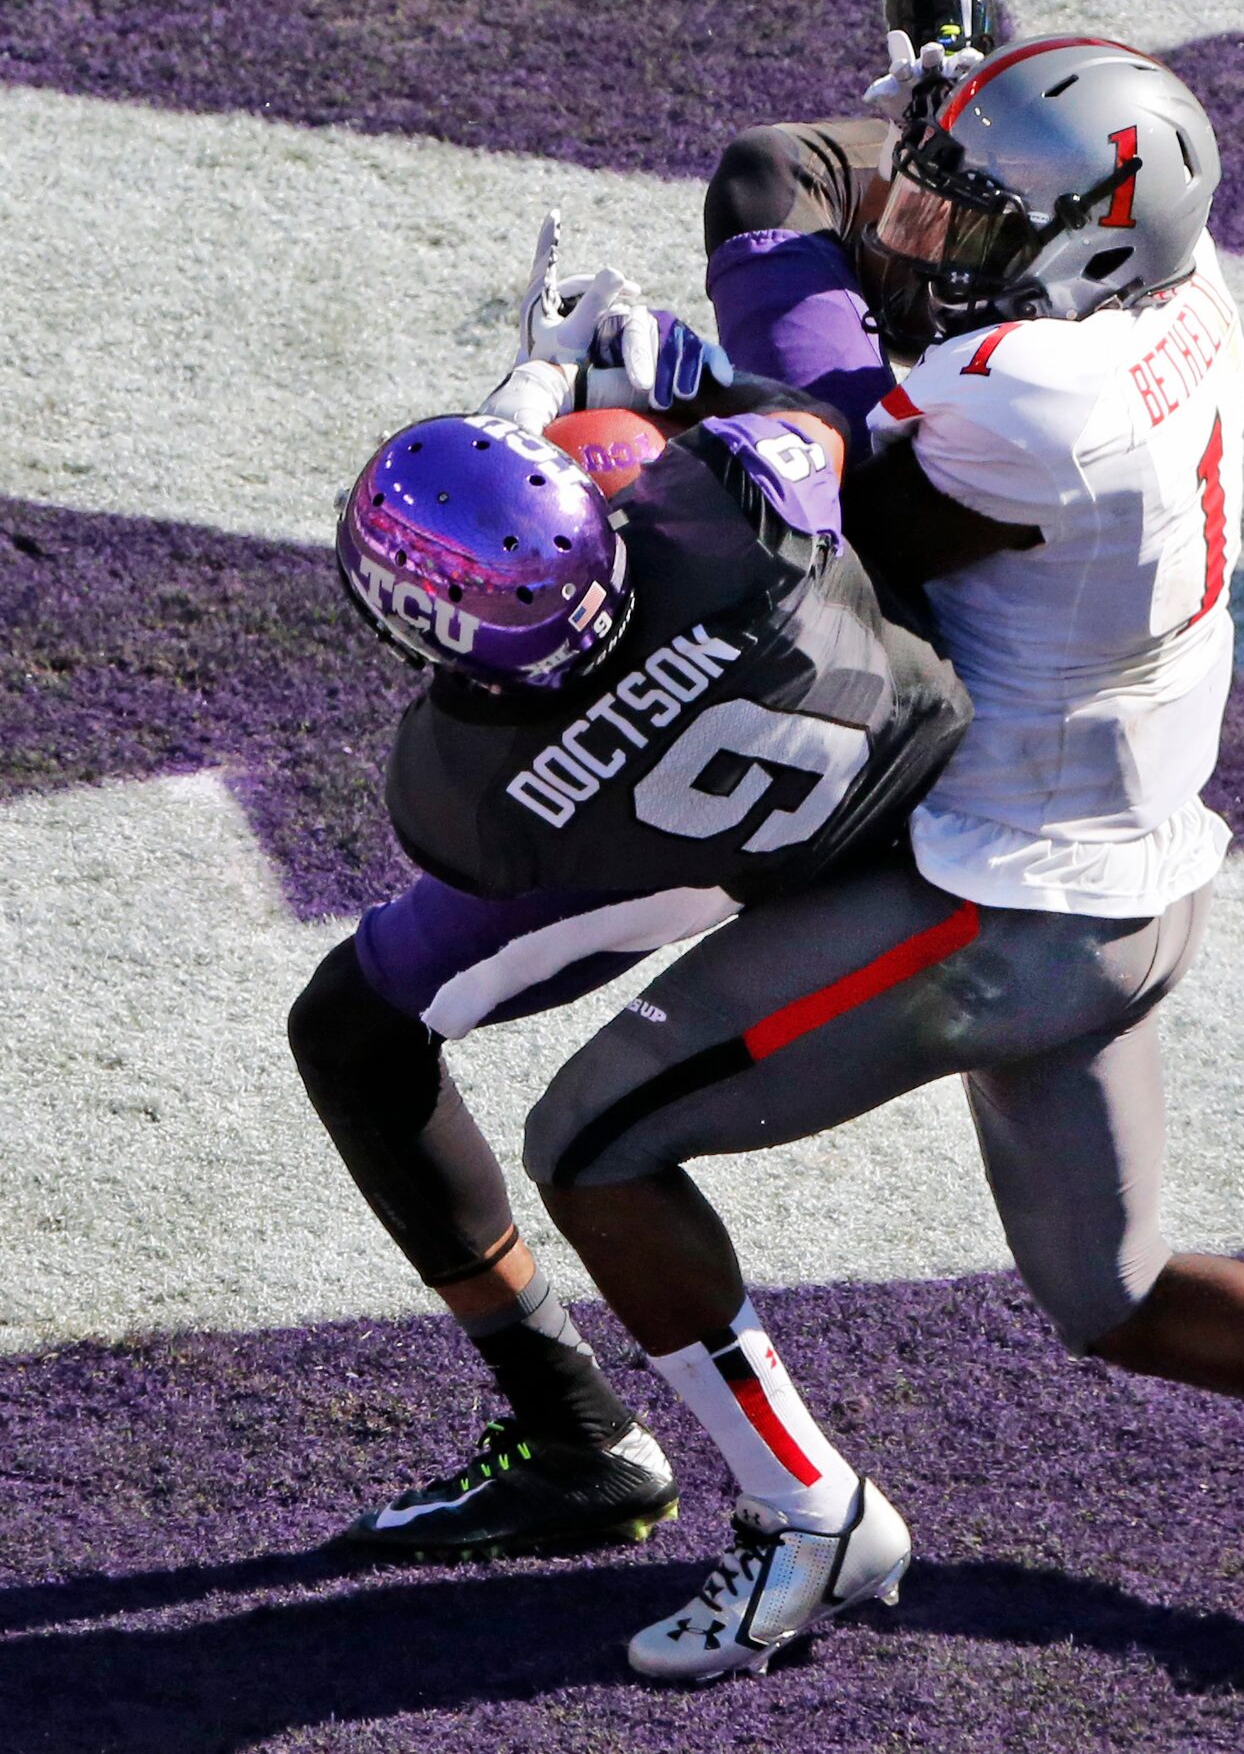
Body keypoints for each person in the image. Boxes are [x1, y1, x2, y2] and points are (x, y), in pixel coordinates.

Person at [490, 0, 1244, 1680]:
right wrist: (945, 107)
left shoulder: (1030, 401)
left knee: (591, 1147)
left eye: (968, 221)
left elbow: (818, 479)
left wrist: (681, 372)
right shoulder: (1174, 294)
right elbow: (932, 282)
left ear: (1079, 255)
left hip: (996, 900)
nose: (924, 237)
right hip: (1136, 878)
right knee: (1109, 1294)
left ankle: (807, 1517)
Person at [287, 237, 970, 1561]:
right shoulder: (733, 504)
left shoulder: (456, 788)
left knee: (351, 1027)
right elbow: (801, 435)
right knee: (708, 424)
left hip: (691, 854)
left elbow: (524, 729)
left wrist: (530, 397)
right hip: (913, 753)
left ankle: (571, 1428)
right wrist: (623, 390)